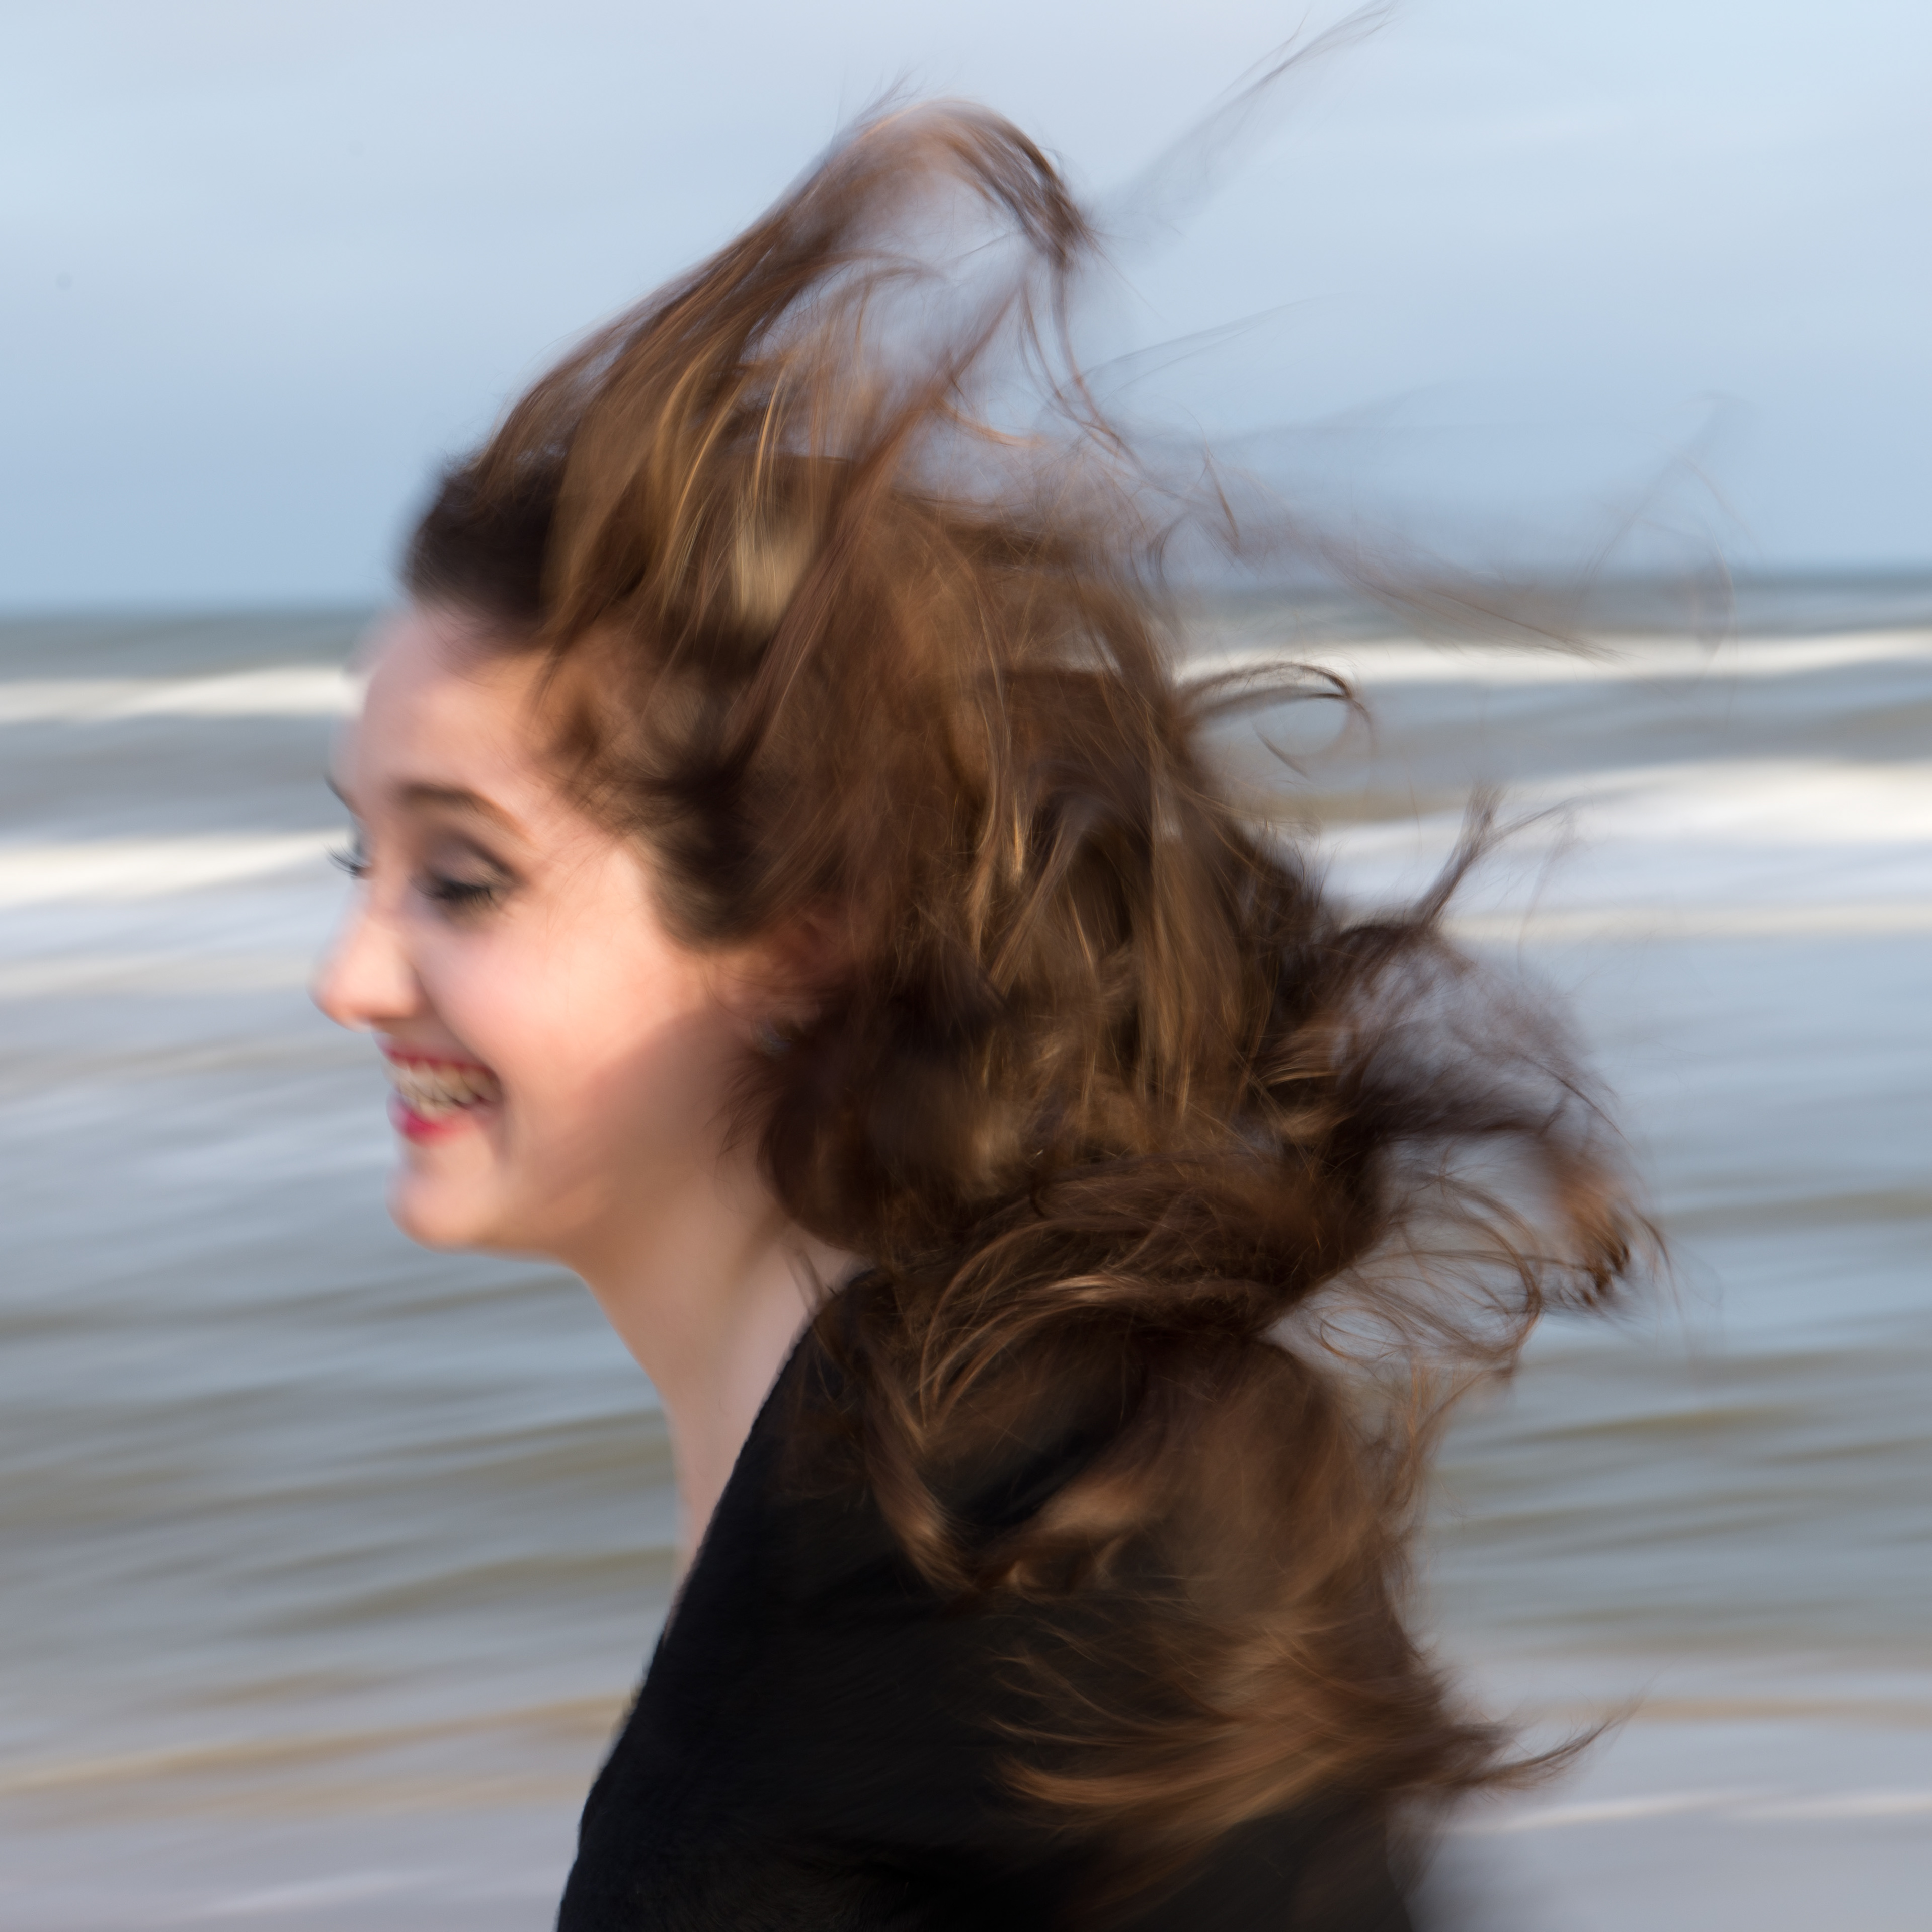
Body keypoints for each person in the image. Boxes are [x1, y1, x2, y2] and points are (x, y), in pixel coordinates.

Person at [313, 103, 1638, 1930]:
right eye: (358, 858)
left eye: (462, 879)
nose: (350, 974)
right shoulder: (854, 1474)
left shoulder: (1013, 1509)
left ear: (799, 928)